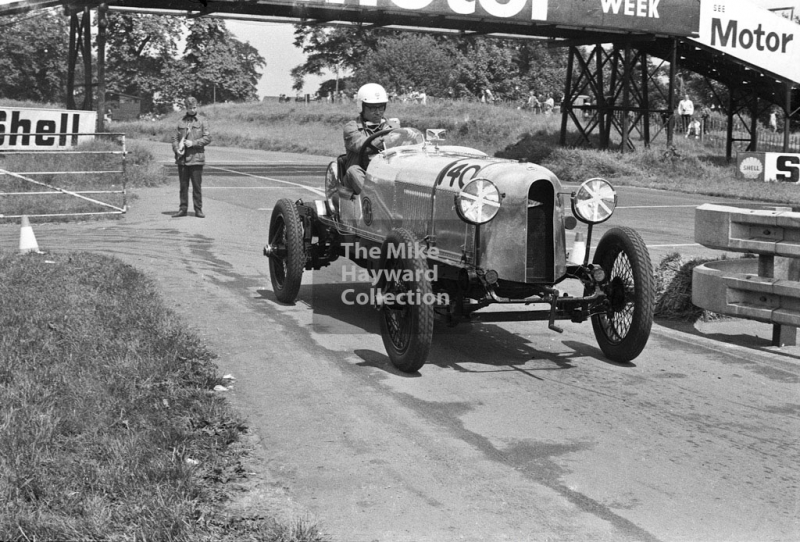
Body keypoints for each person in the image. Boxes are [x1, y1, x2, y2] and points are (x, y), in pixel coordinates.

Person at [342, 83, 399, 194]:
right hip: (362, 176)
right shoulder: (351, 127)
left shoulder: (394, 127)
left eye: (381, 107)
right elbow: (362, 146)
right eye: (372, 108)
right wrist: (389, 139)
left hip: (387, 174)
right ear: (361, 106)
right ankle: (373, 200)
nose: (378, 112)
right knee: (353, 170)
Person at [171, 96, 211, 218]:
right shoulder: (180, 122)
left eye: (194, 107)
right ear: (186, 108)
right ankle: (183, 209)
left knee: (196, 187)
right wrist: (177, 149)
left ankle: (198, 209)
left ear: (197, 106)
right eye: (190, 108)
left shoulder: (202, 121)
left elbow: (208, 138)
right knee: (183, 186)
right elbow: (174, 139)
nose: (192, 110)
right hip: (182, 159)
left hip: (196, 158)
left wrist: (193, 143)